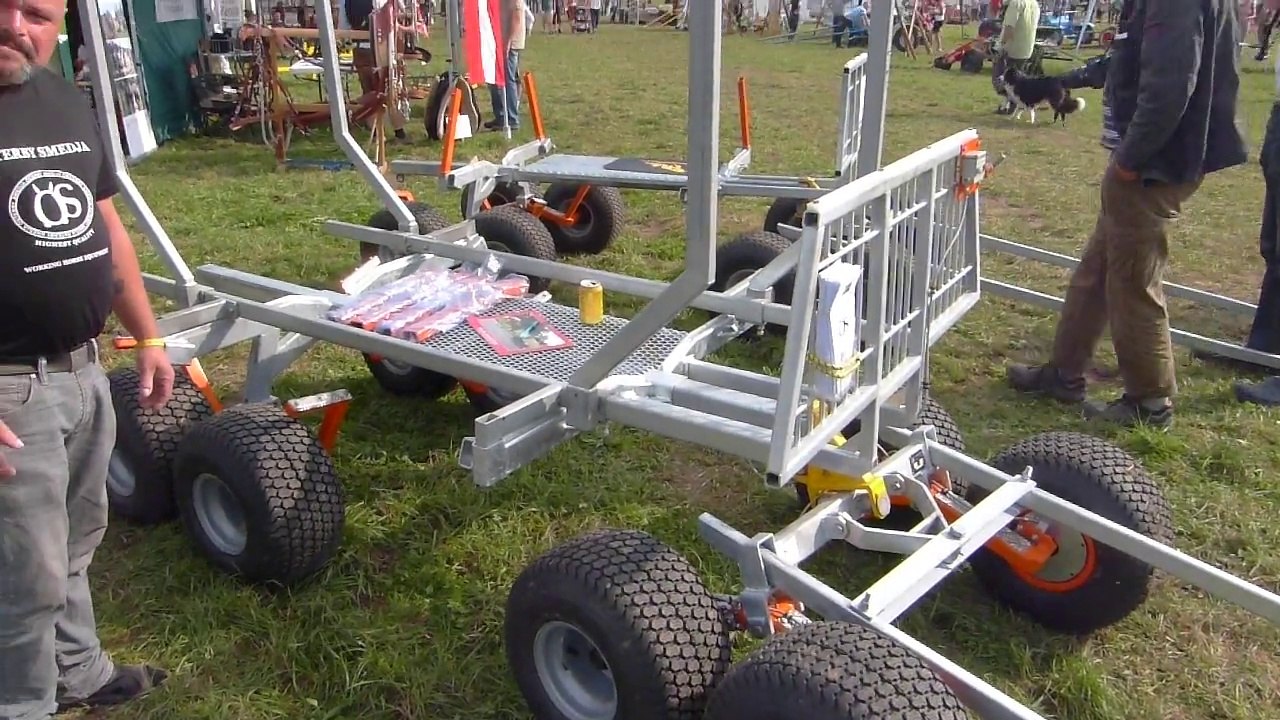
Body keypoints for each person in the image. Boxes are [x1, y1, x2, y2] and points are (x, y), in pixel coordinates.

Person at [0, 0, 177, 716]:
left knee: (77, 538)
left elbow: (105, 220)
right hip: (10, 391)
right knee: (24, 573)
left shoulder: (64, 99)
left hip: (83, 370)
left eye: (37, 13)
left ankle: (80, 672)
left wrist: (149, 333)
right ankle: (23, 703)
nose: (15, 25)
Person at [1006, 0, 1248, 427]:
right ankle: (1064, 372)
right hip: (1148, 161)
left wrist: (1131, 160)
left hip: (1153, 165)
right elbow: (1130, 59)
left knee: (1133, 280)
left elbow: (1172, 85)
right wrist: (1070, 78)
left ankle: (1150, 402)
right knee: (1098, 270)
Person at [344, 0, 422, 144]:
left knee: (371, 92)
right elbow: (399, 15)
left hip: (361, 48)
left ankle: (377, 135)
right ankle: (397, 133)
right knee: (391, 91)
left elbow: (343, 27)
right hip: (384, 49)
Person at [991, 0, 1039, 115]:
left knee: (1000, 79)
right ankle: (1010, 105)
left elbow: (1009, 28)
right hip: (1026, 47)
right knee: (1015, 80)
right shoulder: (1034, 3)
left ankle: (1013, 105)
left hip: (1012, 47)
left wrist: (1000, 46)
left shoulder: (1015, 3)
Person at [485, 0, 527, 131]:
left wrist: (507, 42)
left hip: (510, 45)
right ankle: (501, 116)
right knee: (495, 80)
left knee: (508, 81)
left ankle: (512, 118)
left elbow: (517, 19)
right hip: (500, 42)